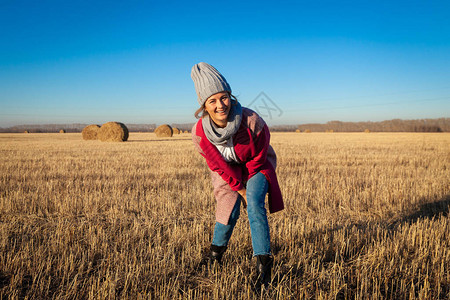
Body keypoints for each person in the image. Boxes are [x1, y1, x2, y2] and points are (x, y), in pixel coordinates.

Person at [190, 62, 284, 289]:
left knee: (254, 204)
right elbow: (217, 165)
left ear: (230, 97)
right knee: (228, 209)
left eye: (223, 97)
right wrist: (237, 188)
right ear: (204, 106)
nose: (220, 105)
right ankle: (215, 256)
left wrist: (248, 189)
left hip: (256, 165)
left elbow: (259, 157)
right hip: (227, 170)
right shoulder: (199, 133)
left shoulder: (252, 121)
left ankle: (264, 268)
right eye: (212, 101)